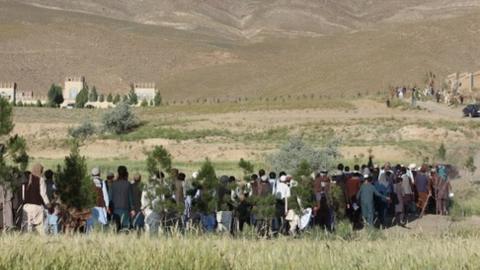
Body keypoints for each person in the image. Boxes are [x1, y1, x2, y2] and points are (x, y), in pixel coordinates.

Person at [22, 163, 49, 234]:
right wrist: (48, 204)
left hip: (26, 207)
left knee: (27, 227)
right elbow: (43, 194)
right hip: (37, 206)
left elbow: (23, 194)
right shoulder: (41, 180)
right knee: (40, 227)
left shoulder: (26, 179)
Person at [110, 166, 134, 232]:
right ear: (126, 173)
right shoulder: (128, 184)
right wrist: (132, 208)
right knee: (125, 229)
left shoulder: (113, 184)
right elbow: (130, 198)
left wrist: (110, 209)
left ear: (118, 173)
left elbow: (110, 198)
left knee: (116, 229)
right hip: (125, 209)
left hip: (115, 210)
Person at [86, 168, 109, 232]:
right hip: (100, 205)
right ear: (99, 174)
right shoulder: (102, 182)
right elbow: (105, 195)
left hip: (91, 205)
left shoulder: (88, 182)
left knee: (90, 222)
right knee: (103, 222)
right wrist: (107, 205)